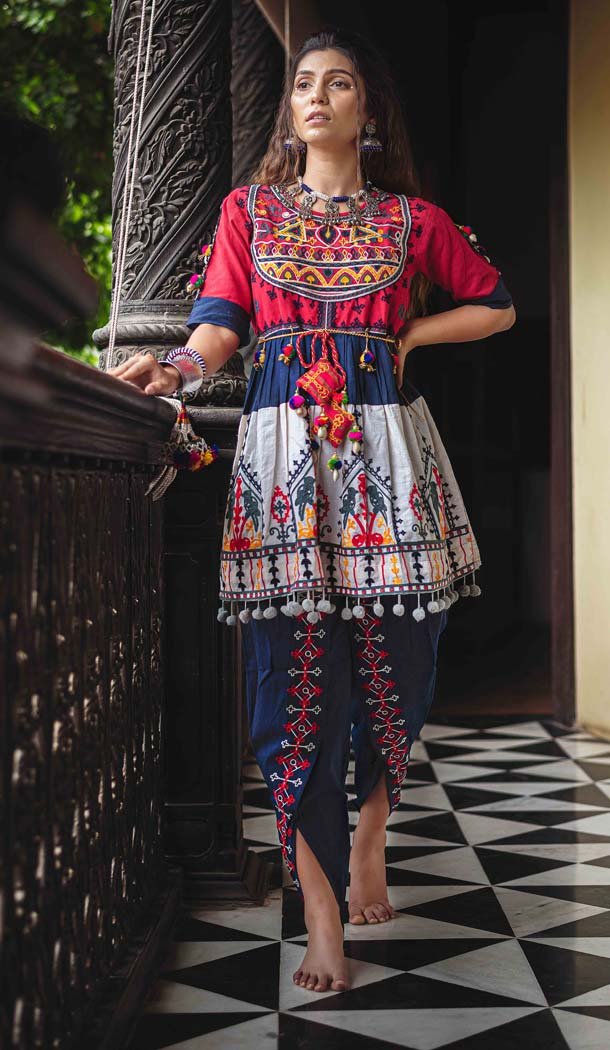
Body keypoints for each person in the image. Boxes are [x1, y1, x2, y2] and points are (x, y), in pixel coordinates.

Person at [108, 26, 515, 995]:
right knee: (288, 670)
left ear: (367, 112)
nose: (318, 97)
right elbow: (218, 326)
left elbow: (494, 303)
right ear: (290, 112)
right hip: (282, 459)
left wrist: (409, 331)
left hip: (385, 455)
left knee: (400, 649)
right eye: (303, 85)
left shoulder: (413, 221)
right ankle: (320, 906)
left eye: (338, 85)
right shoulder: (247, 211)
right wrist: (169, 367)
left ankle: (372, 822)